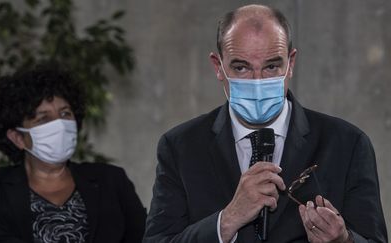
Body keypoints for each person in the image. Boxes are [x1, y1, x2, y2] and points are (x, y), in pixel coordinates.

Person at [144, 4, 387, 243]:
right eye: (241, 67)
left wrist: (343, 241)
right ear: (218, 67)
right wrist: (227, 220)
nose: (257, 82)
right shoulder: (181, 146)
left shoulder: (347, 143)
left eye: (271, 66)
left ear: (290, 63)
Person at [0, 66, 146, 243]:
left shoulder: (111, 180)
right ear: (17, 138)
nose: (59, 124)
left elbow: (150, 237)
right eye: (44, 118)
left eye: (65, 114)